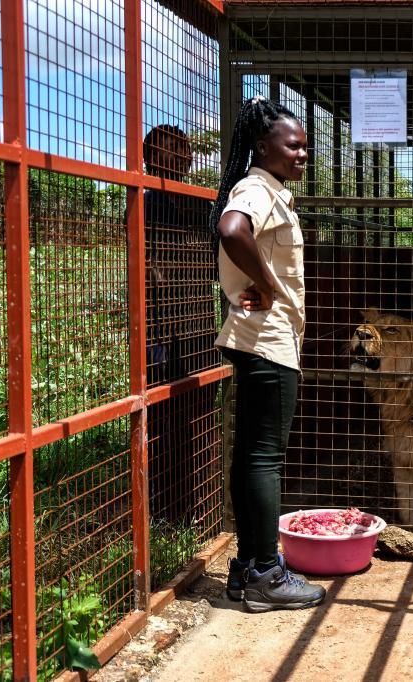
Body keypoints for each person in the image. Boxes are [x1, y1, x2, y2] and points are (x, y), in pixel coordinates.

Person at [209, 96, 325, 612]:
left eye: (305, 146)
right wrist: (268, 284)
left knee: (250, 456)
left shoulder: (268, 189)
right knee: (264, 458)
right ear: (262, 146)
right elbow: (232, 229)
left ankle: (247, 567)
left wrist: (262, 281)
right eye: (293, 145)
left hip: (256, 338)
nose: (303, 153)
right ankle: (265, 573)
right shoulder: (256, 188)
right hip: (267, 341)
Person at [143, 124, 218, 528]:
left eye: (183, 149)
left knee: (200, 411)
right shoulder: (145, 202)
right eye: (170, 149)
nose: (181, 156)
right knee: (161, 417)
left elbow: (214, 259)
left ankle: (201, 504)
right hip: (159, 329)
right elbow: (146, 265)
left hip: (199, 326)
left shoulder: (199, 204)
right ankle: (162, 510)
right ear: (151, 158)